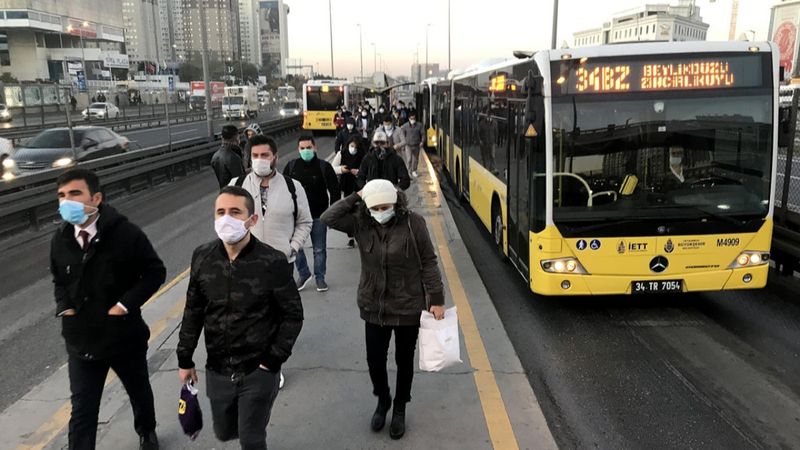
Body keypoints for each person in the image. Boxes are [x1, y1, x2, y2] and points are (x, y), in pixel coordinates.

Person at [177, 186, 303, 450]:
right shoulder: (203, 257)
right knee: (224, 431)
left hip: (258, 370)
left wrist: (273, 360)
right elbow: (193, 310)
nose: (226, 218)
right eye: (220, 212)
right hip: (218, 369)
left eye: (235, 212)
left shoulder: (272, 261)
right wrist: (184, 358)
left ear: (252, 219)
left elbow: (292, 315)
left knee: (251, 437)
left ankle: (254, 419)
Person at [321, 179, 446, 440]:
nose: (380, 212)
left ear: (396, 203)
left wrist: (436, 298)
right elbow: (327, 217)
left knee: (403, 360)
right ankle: (383, 399)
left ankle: (399, 406)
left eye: (385, 206)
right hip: (373, 304)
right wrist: (356, 195)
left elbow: (429, 262)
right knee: (375, 360)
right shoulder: (361, 222)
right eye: (374, 207)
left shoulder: (414, 223)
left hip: (408, 305)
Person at [51, 168, 166, 450]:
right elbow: (59, 280)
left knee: (138, 391)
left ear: (96, 197)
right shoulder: (61, 239)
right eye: (62, 196)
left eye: (75, 194)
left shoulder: (126, 234)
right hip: (81, 341)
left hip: (123, 336)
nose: (67, 202)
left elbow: (155, 272)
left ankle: (147, 432)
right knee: (83, 409)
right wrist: (65, 307)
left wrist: (125, 304)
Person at [229, 134, 313, 389]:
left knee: (275, 318)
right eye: (255, 156)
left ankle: (271, 365)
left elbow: (305, 221)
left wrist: (292, 248)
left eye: (265, 155)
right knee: (247, 317)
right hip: (245, 264)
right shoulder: (238, 184)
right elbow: (226, 220)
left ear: (275, 156)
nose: (260, 160)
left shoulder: (292, 187)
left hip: (280, 264)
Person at [283, 134, 340, 292]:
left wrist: (331, 212)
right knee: (296, 248)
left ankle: (320, 278)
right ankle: (303, 273)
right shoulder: (291, 166)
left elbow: (334, 190)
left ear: (315, 148)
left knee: (319, 249)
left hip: (319, 215)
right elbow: (282, 189)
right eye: (302, 148)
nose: (306, 151)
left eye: (308, 148)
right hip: (296, 217)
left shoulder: (324, 167)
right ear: (298, 149)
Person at [331, 135, 367, 248]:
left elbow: (368, 169)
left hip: (360, 186)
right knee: (349, 211)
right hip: (346, 185)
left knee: (361, 211)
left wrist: (360, 172)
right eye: (352, 146)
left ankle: (362, 235)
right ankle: (351, 237)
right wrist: (341, 170)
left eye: (355, 147)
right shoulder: (341, 154)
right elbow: (332, 168)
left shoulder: (363, 155)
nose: (353, 149)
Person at [400, 112, 425, 177]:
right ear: (409, 119)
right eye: (411, 118)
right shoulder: (405, 126)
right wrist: (403, 143)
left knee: (415, 159)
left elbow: (423, 134)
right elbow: (402, 135)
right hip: (408, 145)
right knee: (409, 159)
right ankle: (408, 171)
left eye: (414, 118)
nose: (412, 120)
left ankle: (414, 170)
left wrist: (422, 141)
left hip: (416, 145)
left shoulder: (420, 125)